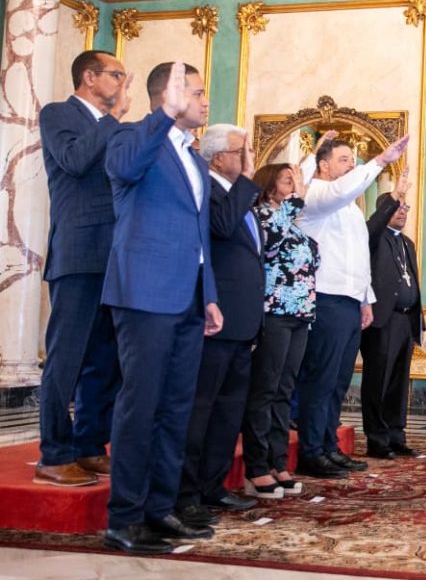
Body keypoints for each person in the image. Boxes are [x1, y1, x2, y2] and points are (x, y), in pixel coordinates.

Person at [101, 60, 223, 555]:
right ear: (166, 95)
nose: (205, 101)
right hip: (145, 293)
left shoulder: (194, 160)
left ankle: (159, 508)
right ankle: (124, 517)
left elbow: (200, 236)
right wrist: (161, 117)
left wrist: (209, 293)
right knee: (140, 405)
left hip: (189, 296)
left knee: (176, 408)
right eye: (195, 92)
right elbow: (121, 169)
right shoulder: (133, 137)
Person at [35, 50, 131, 487]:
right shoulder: (59, 114)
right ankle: (54, 453)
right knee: (67, 357)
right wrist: (113, 122)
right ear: (90, 78)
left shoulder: (113, 126)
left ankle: (91, 445)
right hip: (77, 253)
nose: (121, 84)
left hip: (115, 255)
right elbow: (74, 161)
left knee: (104, 358)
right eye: (117, 76)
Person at [294, 134, 408, 479]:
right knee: (321, 378)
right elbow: (338, 190)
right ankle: (312, 451)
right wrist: (381, 161)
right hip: (325, 297)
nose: (351, 165)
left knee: (339, 381)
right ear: (323, 165)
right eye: (344, 159)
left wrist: (365, 299)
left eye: (353, 160)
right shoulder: (315, 194)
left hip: (348, 299)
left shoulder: (349, 209)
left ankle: (328, 446)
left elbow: (359, 256)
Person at [174, 124, 265, 525]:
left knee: (229, 412)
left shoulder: (235, 194)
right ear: (217, 157)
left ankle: (213, 486)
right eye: (240, 151)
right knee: (201, 410)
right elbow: (222, 228)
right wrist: (247, 179)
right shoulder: (206, 189)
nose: (247, 158)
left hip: (243, 322)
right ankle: (187, 492)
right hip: (215, 319)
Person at [241, 161, 318, 498]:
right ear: (270, 185)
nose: (294, 185)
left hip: (300, 313)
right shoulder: (260, 216)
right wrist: (296, 201)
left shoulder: (294, 222)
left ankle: (278, 461)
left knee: (284, 390)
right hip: (274, 311)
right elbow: (270, 244)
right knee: (265, 390)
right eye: (288, 180)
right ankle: (257, 467)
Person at [361, 171, 424, 460]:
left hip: (405, 320)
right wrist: (394, 196)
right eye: (398, 207)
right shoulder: (373, 237)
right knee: (379, 380)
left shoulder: (406, 243)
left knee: (398, 383)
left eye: (405, 208)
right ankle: (377, 439)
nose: (403, 213)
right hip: (382, 320)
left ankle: (396, 435)